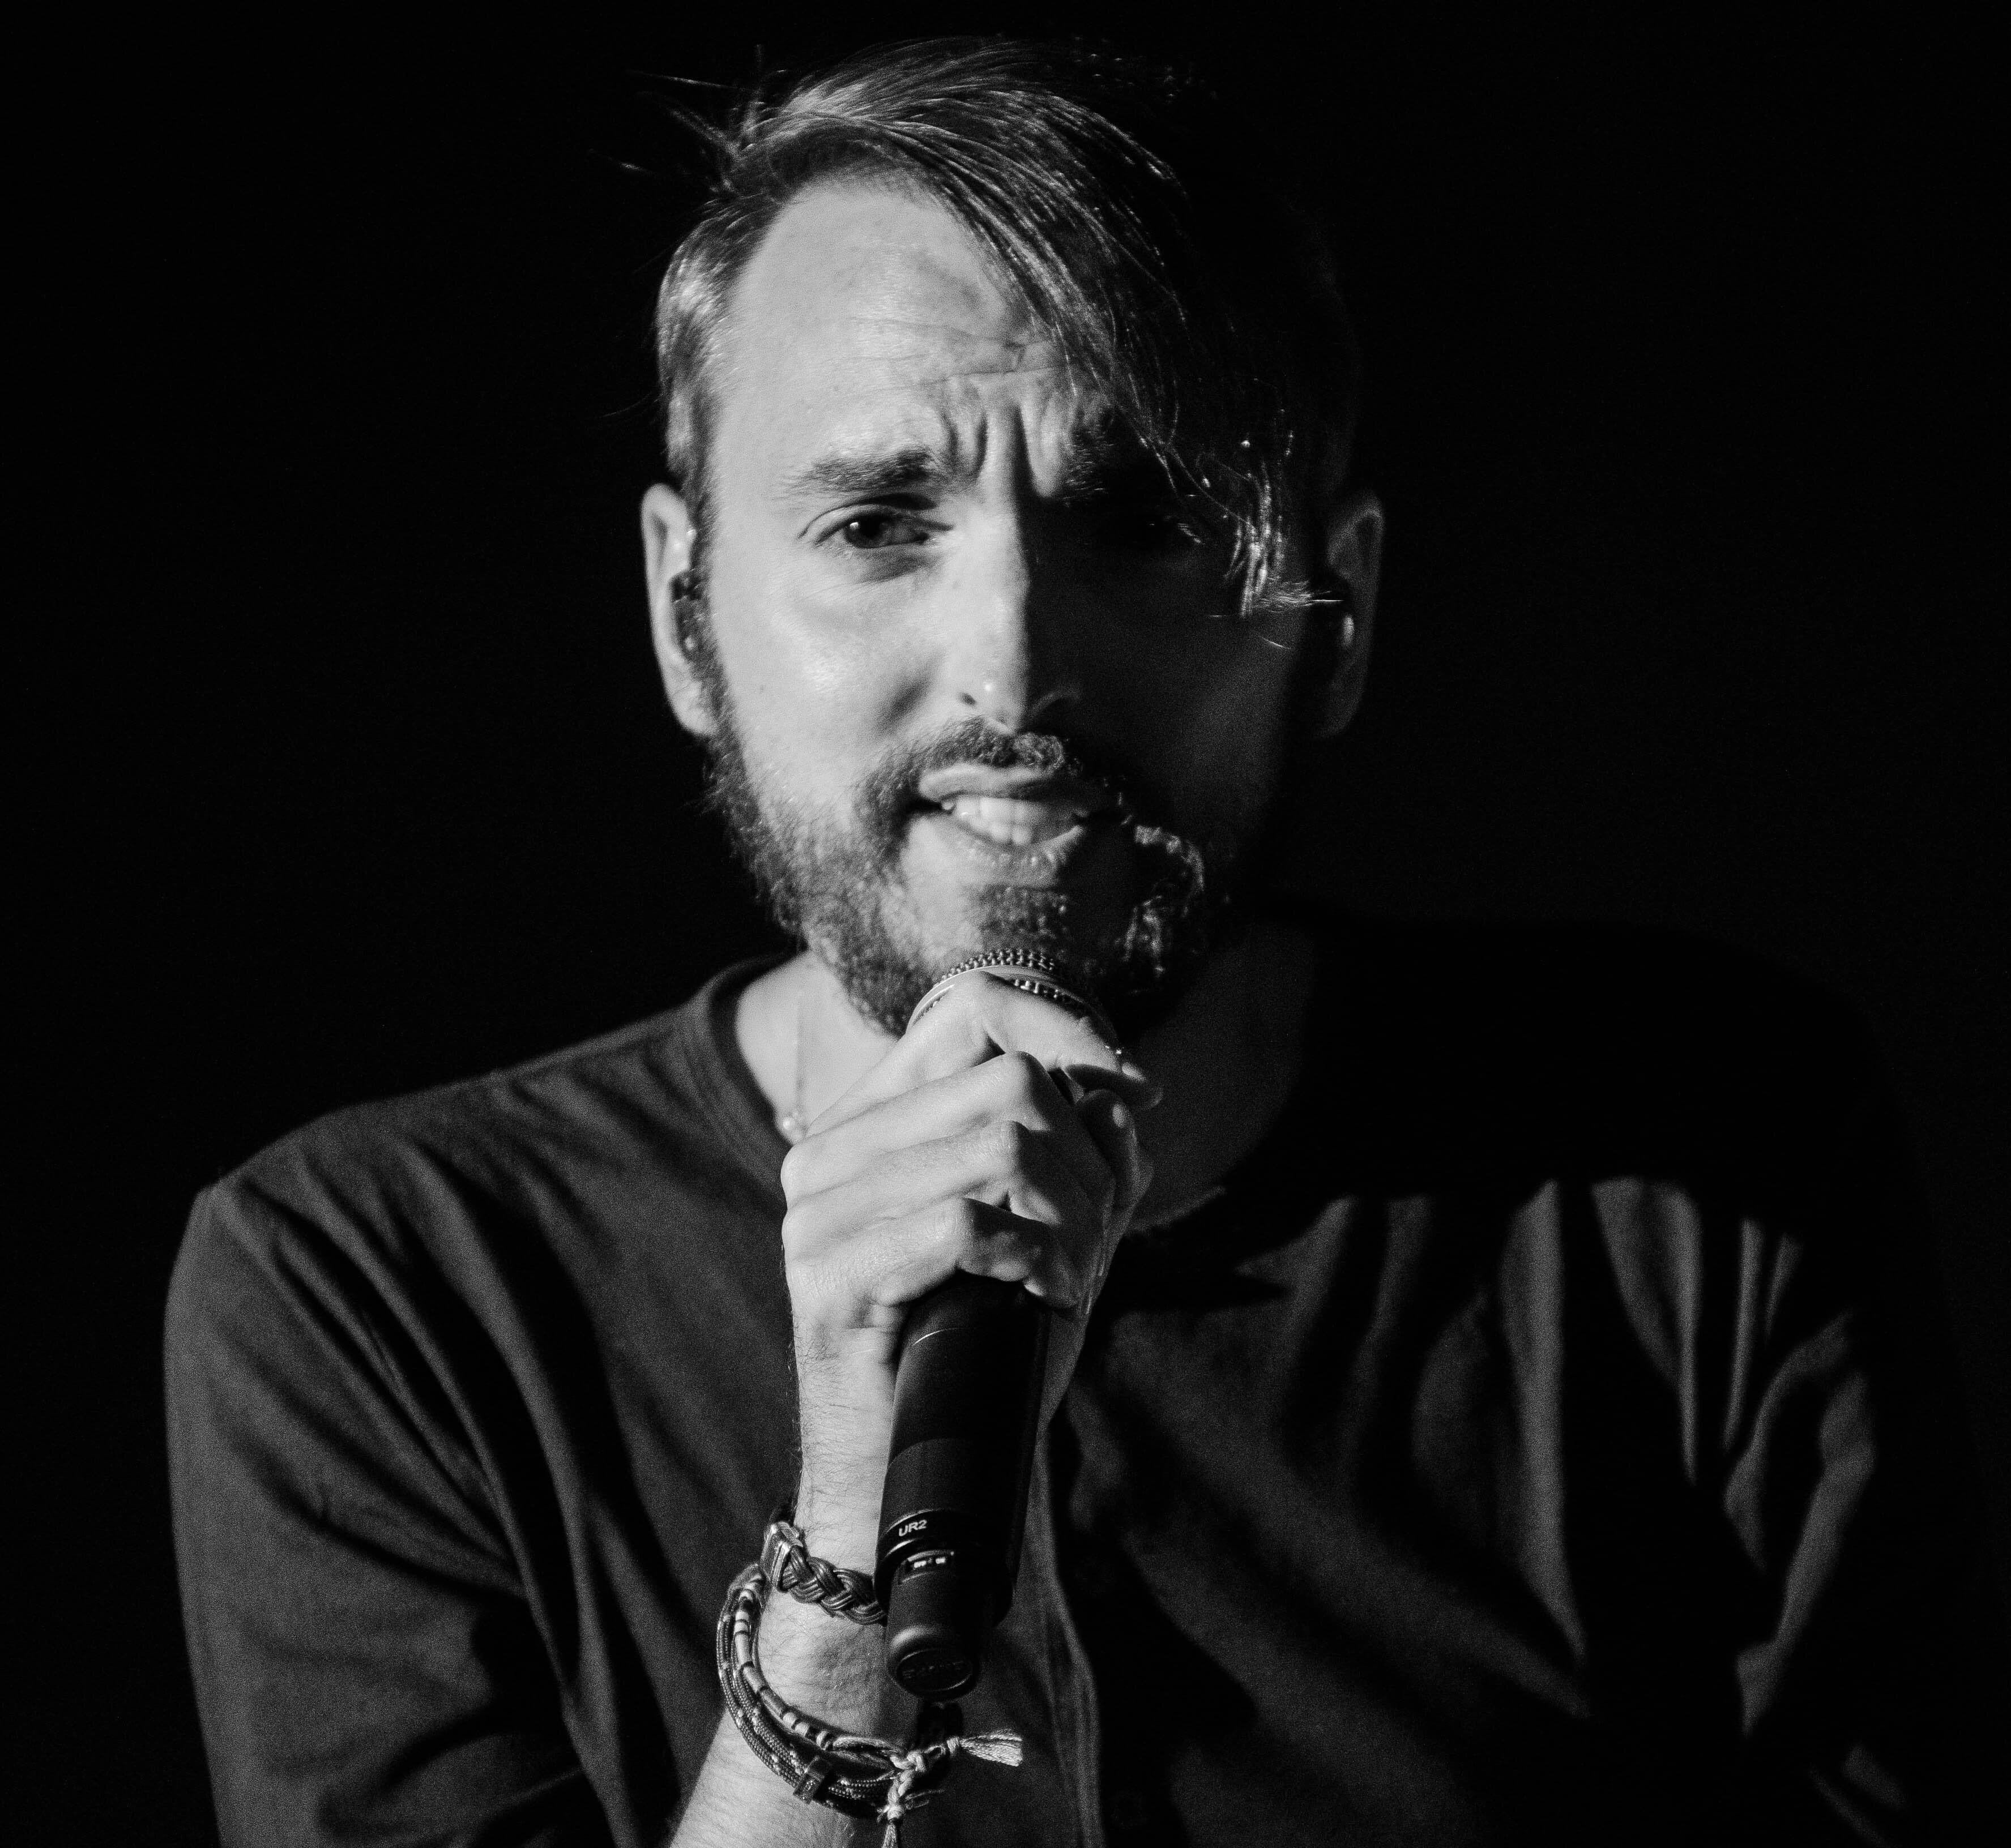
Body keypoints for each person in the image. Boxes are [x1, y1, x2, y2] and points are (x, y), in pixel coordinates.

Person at [165, 37, 2002, 1847]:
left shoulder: (1708, 1172)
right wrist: (845, 1569)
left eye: (1146, 518)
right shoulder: (382, 1293)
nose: (1014, 665)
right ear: (683, 614)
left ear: (1338, 612)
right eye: (877, 523)